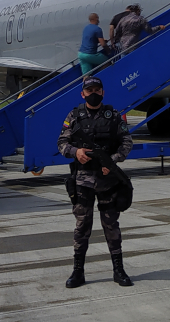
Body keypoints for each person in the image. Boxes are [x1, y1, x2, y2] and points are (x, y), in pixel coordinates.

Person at [57, 75, 134, 289]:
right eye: (89, 90)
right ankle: (78, 272)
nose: (93, 93)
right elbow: (61, 143)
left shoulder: (114, 116)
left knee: (111, 226)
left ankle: (118, 270)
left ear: (103, 92)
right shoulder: (74, 115)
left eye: (96, 90)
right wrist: (76, 151)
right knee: (82, 226)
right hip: (83, 181)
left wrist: (113, 161)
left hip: (108, 181)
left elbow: (127, 143)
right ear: (83, 93)